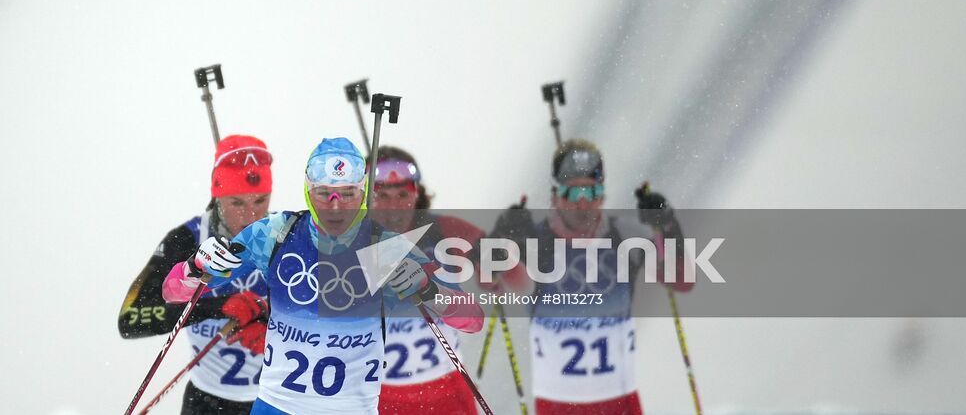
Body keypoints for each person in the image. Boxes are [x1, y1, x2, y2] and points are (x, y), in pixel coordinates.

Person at [164, 138, 483, 415]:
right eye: (324, 193)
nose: (335, 206)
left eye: (347, 193)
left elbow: (472, 319)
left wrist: (427, 288)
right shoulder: (275, 234)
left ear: (363, 192)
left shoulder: (382, 247)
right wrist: (194, 268)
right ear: (307, 189)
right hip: (278, 406)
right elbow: (173, 294)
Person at [489, 139, 691, 415]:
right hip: (558, 405)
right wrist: (501, 237)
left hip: (620, 402)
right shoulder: (535, 241)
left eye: (592, 191)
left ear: (603, 194)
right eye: (573, 194)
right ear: (555, 196)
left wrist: (668, 226)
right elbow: (491, 279)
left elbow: (681, 281)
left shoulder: (626, 237)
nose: (583, 203)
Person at [120, 134, 275, 414]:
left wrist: (274, 330)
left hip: (274, 401)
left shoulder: (285, 237)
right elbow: (130, 319)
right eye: (237, 203)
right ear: (216, 198)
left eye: (261, 200)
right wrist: (220, 307)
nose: (250, 215)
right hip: (206, 402)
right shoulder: (188, 239)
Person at [371, 146, 484, 415]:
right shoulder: (349, 245)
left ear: (417, 194)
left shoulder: (442, 232)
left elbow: (473, 319)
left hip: (447, 395)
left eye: (402, 194)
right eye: (381, 196)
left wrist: (430, 290)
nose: (393, 206)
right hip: (378, 399)